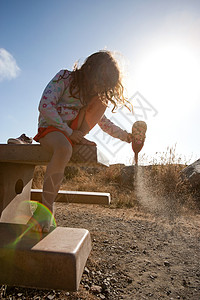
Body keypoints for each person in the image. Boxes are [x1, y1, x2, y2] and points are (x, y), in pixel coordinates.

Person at [30, 50, 146, 232]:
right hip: (51, 127)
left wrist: (126, 137)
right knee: (63, 149)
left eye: (104, 86)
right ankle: (44, 210)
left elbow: (104, 123)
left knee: (102, 102)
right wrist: (68, 131)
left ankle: (77, 138)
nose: (98, 89)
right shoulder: (64, 77)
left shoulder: (94, 96)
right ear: (89, 69)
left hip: (73, 133)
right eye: (98, 82)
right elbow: (45, 105)